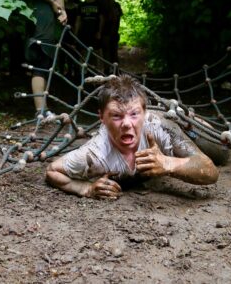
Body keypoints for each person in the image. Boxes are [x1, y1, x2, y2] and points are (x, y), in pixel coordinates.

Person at [46, 75, 220, 200]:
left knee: (221, 151)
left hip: (175, 122)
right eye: (116, 116)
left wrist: (167, 163)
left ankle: (191, 120)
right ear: (102, 118)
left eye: (134, 114)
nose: (127, 124)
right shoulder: (95, 153)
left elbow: (210, 172)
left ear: (144, 113)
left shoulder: (158, 126)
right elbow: (52, 171)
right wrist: (86, 189)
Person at [25, 0, 67, 115]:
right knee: (40, 62)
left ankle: (44, 109)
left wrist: (62, 11)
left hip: (50, 21)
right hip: (37, 15)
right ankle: (40, 111)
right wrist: (52, 2)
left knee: (47, 62)